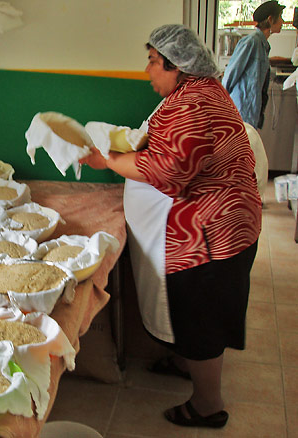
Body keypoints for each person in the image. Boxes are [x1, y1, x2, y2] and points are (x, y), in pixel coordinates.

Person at [80, 24, 262, 429]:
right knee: (197, 313)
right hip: (221, 224)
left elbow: (168, 170)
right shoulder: (194, 93)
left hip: (214, 235)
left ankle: (207, 404)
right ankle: (187, 360)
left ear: (177, 65)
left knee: (203, 317)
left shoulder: (193, 104)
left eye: (151, 61)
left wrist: (105, 160)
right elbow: (167, 145)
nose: (146, 70)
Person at [222, 1, 285, 129]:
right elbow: (231, 73)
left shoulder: (263, 46)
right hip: (241, 110)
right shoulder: (251, 42)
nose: (283, 22)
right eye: (280, 17)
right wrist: (221, 102)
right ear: (270, 19)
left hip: (252, 111)